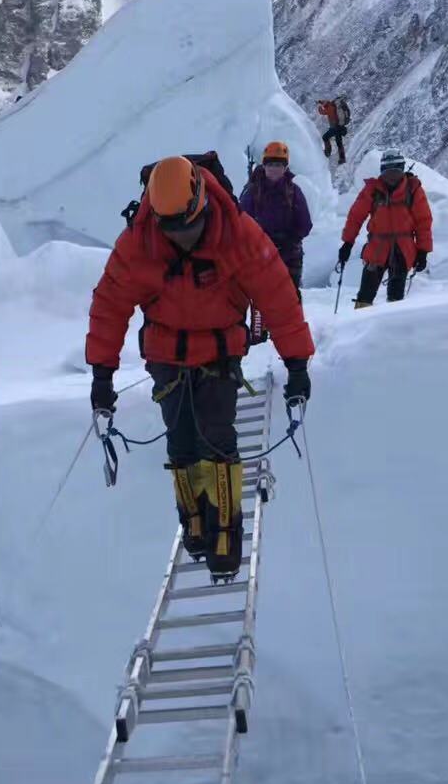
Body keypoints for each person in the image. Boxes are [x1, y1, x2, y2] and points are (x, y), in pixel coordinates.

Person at [87, 156, 315, 578]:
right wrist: (102, 376)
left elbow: (278, 295)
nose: (182, 239)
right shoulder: (140, 240)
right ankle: (193, 518)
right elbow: (110, 305)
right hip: (167, 358)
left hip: (217, 356)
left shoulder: (236, 233)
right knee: (182, 441)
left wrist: (297, 363)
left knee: (217, 440)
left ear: (201, 202)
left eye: (188, 228)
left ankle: (224, 528)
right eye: (172, 230)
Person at [337, 149, 433, 308]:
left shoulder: (413, 189)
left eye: (396, 171)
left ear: (402, 169)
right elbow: (355, 217)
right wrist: (347, 243)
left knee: (396, 295)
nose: (392, 176)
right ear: (382, 172)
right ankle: (360, 319)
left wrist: (423, 251)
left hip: (401, 250)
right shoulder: (373, 190)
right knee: (366, 294)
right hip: (378, 248)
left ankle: (391, 326)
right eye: (389, 172)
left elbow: (423, 222)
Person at [238, 141, 312, 292]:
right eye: (271, 164)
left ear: (285, 168)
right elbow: (241, 223)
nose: (274, 169)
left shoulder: (294, 192)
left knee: (289, 302)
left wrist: (288, 238)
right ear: (264, 165)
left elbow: (305, 224)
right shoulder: (253, 192)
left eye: (278, 165)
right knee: (262, 302)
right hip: (260, 256)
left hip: (289, 256)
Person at [316, 98, 350, 164]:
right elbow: (325, 104)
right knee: (339, 143)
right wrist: (320, 102)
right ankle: (342, 159)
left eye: (323, 104)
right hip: (340, 127)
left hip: (335, 128)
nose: (323, 106)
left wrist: (319, 107)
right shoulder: (332, 106)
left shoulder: (329, 108)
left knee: (325, 137)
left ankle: (327, 152)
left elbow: (322, 112)